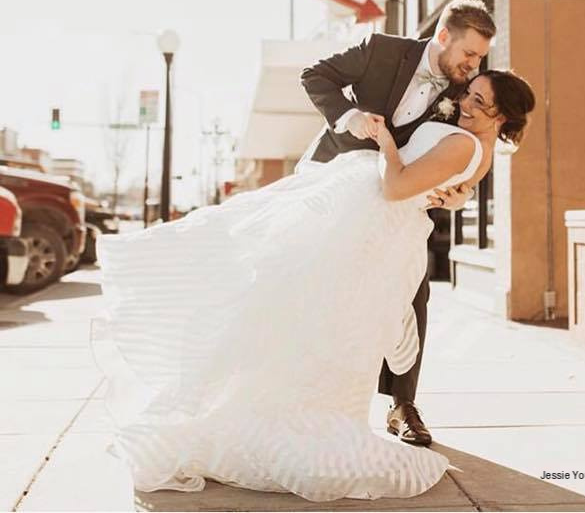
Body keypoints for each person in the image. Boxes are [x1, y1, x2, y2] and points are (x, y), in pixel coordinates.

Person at [92, 67, 535, 502]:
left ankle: (289, 421)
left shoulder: (464, 146)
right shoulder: (475, 144)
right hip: (365, 220)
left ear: (503, 117)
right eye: (469, 94)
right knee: (295, 307)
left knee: (299, 308)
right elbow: (447, 186)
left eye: (480, 102)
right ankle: (268, 412)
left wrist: (385, 144)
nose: (465, 104)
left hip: (369, 224)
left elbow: (398, 188)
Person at [299, 0, 495, 446]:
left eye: (480, 57)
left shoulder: (460, 91)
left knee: (413, 287)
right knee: (311, 280)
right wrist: (349, 117)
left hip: (394, 200)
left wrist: (461, 196)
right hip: (335, 182)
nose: (473, 65)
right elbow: (316, 76)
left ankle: (402, 404)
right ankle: (304, 389)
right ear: (443, 37)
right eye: (469, 54)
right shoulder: (382, 49)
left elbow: (468, 149)